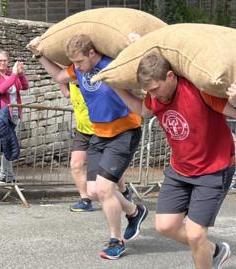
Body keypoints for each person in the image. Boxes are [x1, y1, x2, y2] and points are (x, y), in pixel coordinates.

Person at [111, 52, 236, 269]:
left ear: (171, 76)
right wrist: (115, 85)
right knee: (165, 226)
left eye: (155, 88)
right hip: (180, 169)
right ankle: (214, 251)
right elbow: (144, 112)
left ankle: (205, 253)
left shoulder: (201, 92)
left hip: (213, 169)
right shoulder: (154, 96)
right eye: (148, 91)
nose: (152, 95)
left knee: (195, 234)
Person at [27, 34, 147, 260]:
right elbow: (58, 75)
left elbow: (138, 73)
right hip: (99, 133)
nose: (78, 67)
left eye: (80, 61)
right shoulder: (78, 69)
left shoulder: (112, 64)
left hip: (124, 131)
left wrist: (136, 47)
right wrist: (39, 54)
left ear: (92, 53)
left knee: (104, 189)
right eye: (75, 64)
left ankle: (116, 240)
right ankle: (134, 211)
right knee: (92, 191)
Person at [59, 82, 132, 212]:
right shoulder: (70, 81)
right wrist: (59, 79)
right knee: (75, 164)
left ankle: (124, 191)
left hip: (100, 129)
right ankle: (85, 200)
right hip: (82, 130)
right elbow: (66, 93)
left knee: (109, 168)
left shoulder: (92, 83)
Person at [0, 49, 29, 184]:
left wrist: (20, 74)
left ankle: (7, 175)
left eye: (4, 60)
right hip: (2, 115)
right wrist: (14, 75)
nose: (2, 63)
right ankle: (5, 175)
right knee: (7, 144)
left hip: (15, 113)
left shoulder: (12, 74)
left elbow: (25, 86)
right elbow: (0, 89)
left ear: (8, 61)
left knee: (10, 143)